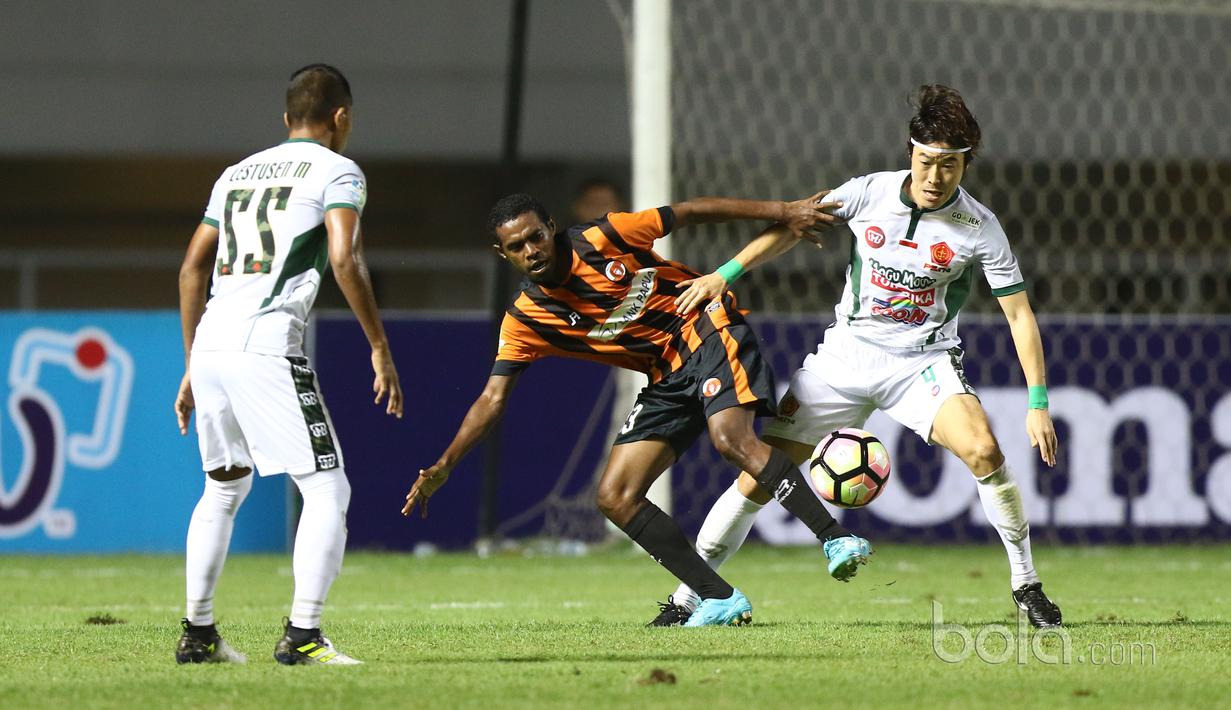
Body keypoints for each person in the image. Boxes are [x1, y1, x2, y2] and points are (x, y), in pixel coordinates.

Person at [656, 84, 1063, 628]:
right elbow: (791, 229)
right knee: (758, 474)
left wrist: (1038, 400)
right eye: (925, 161)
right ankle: (689, 598)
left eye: (949, 166)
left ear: (965, 165)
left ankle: (1027, 586)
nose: (934, 177)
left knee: (985, 452)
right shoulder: (866, 193)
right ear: (910, 151)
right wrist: (722, 274)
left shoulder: (979, 227)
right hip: (844, 360)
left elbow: (1019, 315)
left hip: (922, 364)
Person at [401, 192, 872, 627]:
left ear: (551, 227)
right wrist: (444, 464)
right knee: (615, 495)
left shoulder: (604, 237)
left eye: (536, 237)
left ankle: (835, 537)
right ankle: (717, 598)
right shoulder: (525, 319)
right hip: (665, 373)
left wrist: (780, 212)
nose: (531, 251)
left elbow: (689, 212)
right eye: (517, 246)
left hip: (705, 327)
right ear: (501, 254)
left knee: (730, 439)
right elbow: (492, 398)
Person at [173, 64, 403, 665]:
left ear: (285, 119)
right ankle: (304, 636)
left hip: (214, 342)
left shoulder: (235, 173)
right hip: (266, 342)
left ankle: (198, 636)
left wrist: (192, 362)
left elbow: (192, 267)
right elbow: (344, 257)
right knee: (327, 488)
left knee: (222, 488)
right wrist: (378, 343)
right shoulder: (338, 170)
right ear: (341, 118)